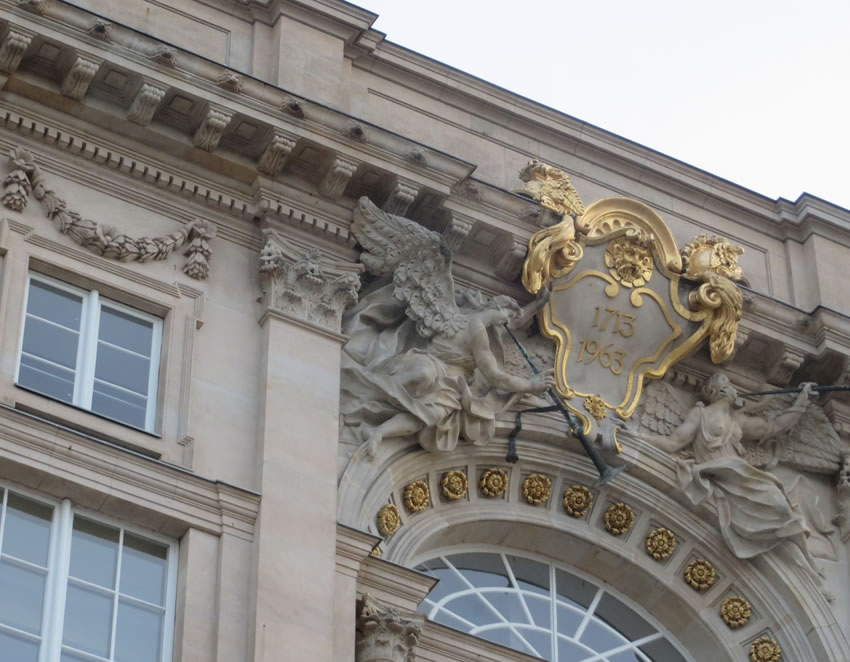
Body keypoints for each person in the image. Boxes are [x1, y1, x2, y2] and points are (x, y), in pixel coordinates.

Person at [642, 373, 821, 578]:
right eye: (726, 383)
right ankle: (808, 565)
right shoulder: (700, 414)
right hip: (719, 470)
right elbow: (673, 443)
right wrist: (639, 436)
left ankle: (808, 562)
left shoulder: (739, 420)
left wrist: (802, 400)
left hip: (741, 475)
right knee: (778, 506)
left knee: (781, 505)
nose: (733, 387)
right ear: (716, 391)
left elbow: (776, 426)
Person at [341, 287, 553, 456]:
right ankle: (365, 388)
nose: (509, 323)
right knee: (422, 374)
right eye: (507, 315)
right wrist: (531, 385)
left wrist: (537, 305)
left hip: (450, 385)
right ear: (496, 309)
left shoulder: (476, 323)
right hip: (429, 362)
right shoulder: (476, 325)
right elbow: (494, 376)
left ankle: (377, 432)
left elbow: (515, 321)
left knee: (431, 416)